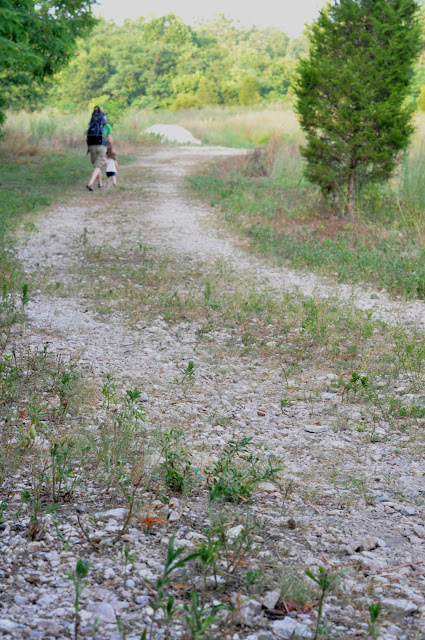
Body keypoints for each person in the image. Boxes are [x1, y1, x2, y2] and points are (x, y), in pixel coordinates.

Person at [86, 106, 114, 191]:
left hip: (91, 146)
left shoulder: (91, 125)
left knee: (96, 165)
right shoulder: (107, 126)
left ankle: (100, 184)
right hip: (101, 146)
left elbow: (86, 139)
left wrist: (89, 147)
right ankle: (90, 183)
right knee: (98, 166)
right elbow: (110, 140)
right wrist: (111, 149)